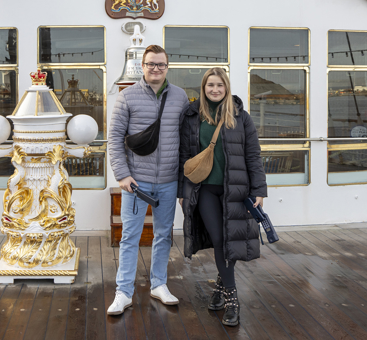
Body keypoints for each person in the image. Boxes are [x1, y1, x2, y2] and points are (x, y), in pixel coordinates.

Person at [178, 67, 267, 326]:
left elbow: (253, 154)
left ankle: (220, 289)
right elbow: (185, 157)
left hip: (236, 190)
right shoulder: (192, 116)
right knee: (220, 239)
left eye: (219, 85)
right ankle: (232, 300)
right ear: (203, 88)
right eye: (210, 85)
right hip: (204, 189)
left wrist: (259, 189)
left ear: (226, 88)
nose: (215, 89)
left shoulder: (241, 117)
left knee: (230, 239)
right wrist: (183, 192)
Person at [108, 45, 189, 315]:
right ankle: (123, 292)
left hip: (168, 181)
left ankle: (159, 284)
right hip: (136, 183)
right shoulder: (127, 96)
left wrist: (182, 181)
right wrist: (122, 175)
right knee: (130, 237)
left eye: (161, 64)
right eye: (151, 64)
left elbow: (186, 140)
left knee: (164, 235)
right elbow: (115, 139)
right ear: (142, 66)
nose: (156, 68)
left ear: (167, 67)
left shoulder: (180, 97)